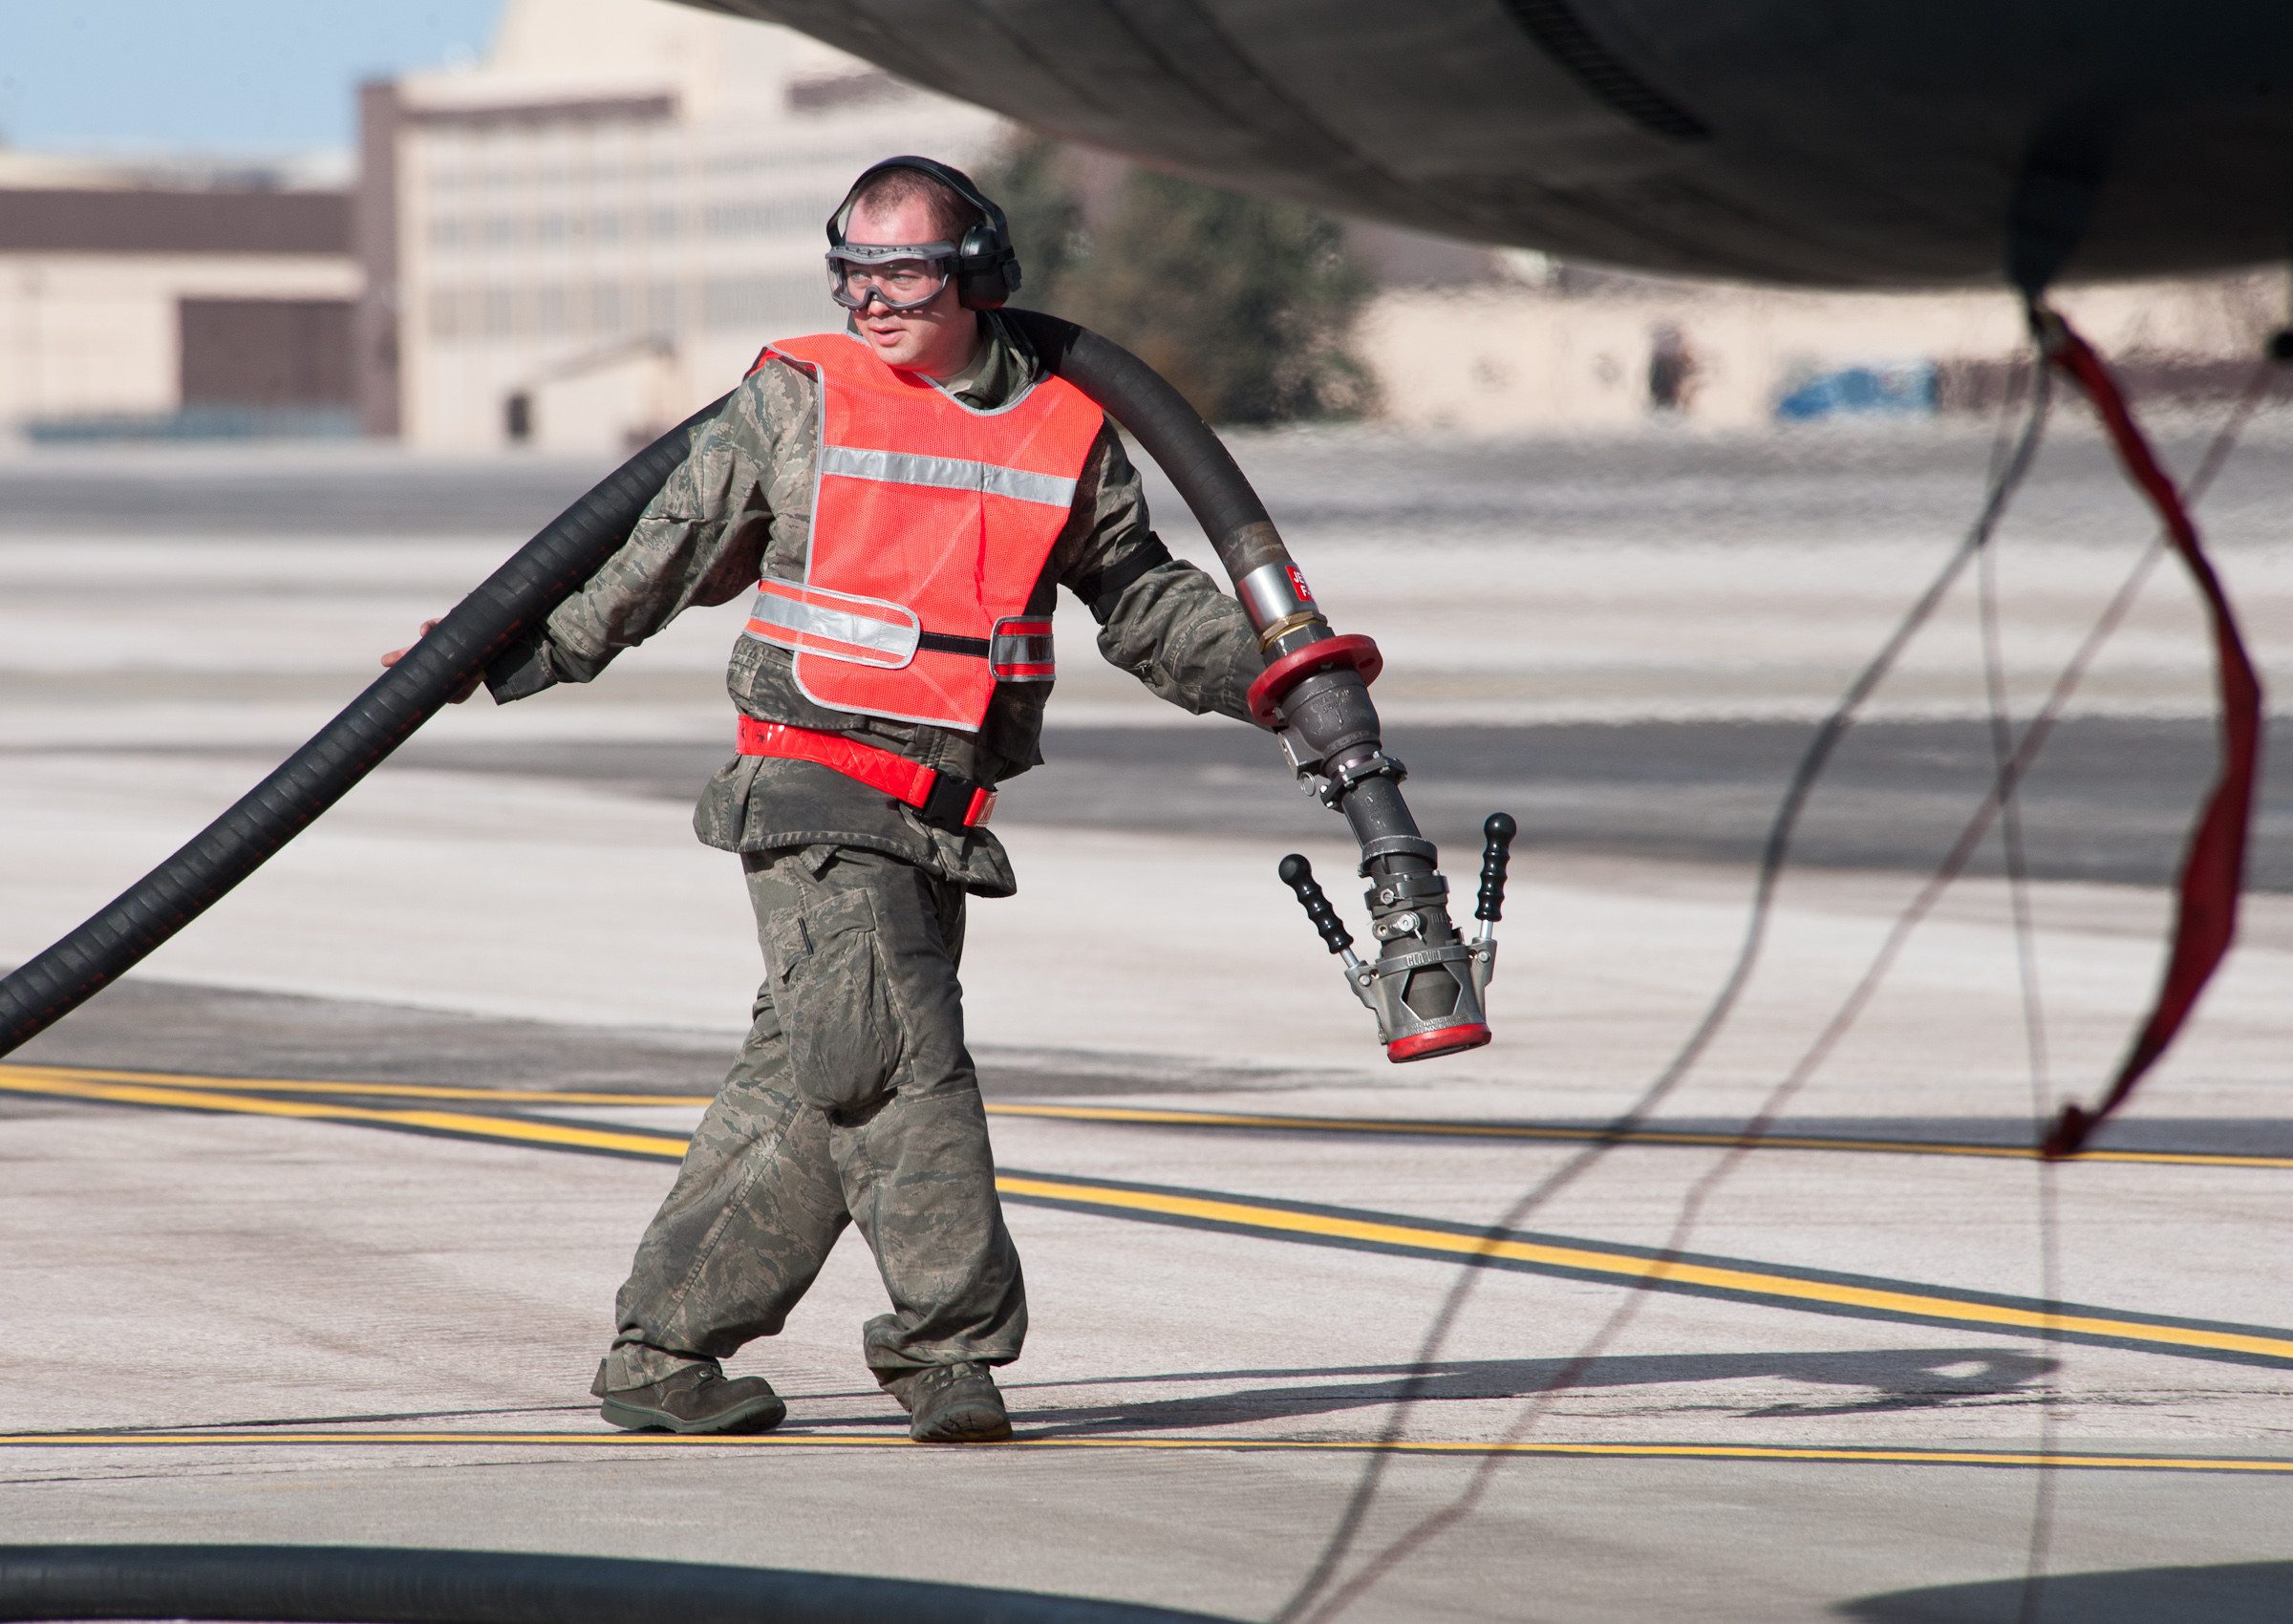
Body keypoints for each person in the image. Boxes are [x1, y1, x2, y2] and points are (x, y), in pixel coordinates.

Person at [384, 158, 1258, 1443]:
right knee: (900, 1066)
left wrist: (1273, 672)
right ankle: (948, 1351)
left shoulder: (1064, 423)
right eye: (851, 269)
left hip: (939, 818)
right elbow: (648, 559)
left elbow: (1135, 590)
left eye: (901, 270)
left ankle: (664, 1351)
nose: (870, 297)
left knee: (809, 1088)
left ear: (976, 276)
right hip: (809, 791)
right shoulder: (797, 400)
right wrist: (483, 655)